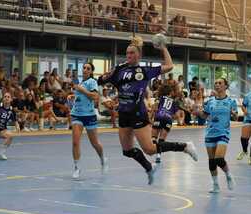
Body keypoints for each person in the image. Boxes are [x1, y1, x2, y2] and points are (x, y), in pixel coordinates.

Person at [98, 36, 198, 185]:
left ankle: (185, 147)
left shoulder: (144, 70)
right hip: (124, 113)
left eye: (132, 53)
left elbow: (169, 66)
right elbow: (102, 81)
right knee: (127, 151)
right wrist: (105, 77)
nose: (129, 55)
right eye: (127, 53)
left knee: (150, 149)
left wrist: (163, 47)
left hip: (138, 113)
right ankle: (149, 167)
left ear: (138, 55)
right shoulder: (120, 69)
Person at [193, 78, 237, 193]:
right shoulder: (210, 101)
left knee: (219, 158)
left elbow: (236, 117)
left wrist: (233, 114)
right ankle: (216, 184)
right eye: (216, 83)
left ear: (225, 86)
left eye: (220, 83)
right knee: (212, 160)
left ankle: (228, 175)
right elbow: (205, 115)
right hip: (210, 132)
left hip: (223, 132)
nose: (217, 85)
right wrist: (198, 112)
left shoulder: (231, 101)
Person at [70, 62, 108, 179]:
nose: (85, 70)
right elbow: (80, 96)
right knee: (75, 142)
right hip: (77, 115)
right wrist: (73, 96)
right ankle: (77, 168)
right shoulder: (80, 83)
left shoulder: (92, 82)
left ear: (91, 71)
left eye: (88, 68)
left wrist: (82, 91)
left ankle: (103, 159)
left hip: (89, 116)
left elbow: (95, 97)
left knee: (95, 143)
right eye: (84, 68)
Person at [152, 84, 179, 163]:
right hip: (168, 119)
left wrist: (151, 117)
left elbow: (155, 107)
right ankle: (158, 156)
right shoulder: (173, 102)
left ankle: (155, 152)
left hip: (159, 116)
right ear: (170, 92)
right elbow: (177, 116)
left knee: (153, 137)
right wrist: (170, 115)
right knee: (162, 139)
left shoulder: (160, 98)